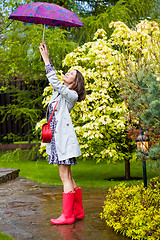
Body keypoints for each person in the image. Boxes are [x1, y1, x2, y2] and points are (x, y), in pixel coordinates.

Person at [39, 42, 86, 225]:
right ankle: (77, 211)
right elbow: (57, 87)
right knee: (69, 176)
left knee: (64, 176)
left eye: (71, 74)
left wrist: (47, 59)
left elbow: (55, 83)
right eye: (69, 72)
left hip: (63, 141)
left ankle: (67, 216)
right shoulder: (61, 94)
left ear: (75, 83)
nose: (67, 73)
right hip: (59, 140)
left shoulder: (71, 95)